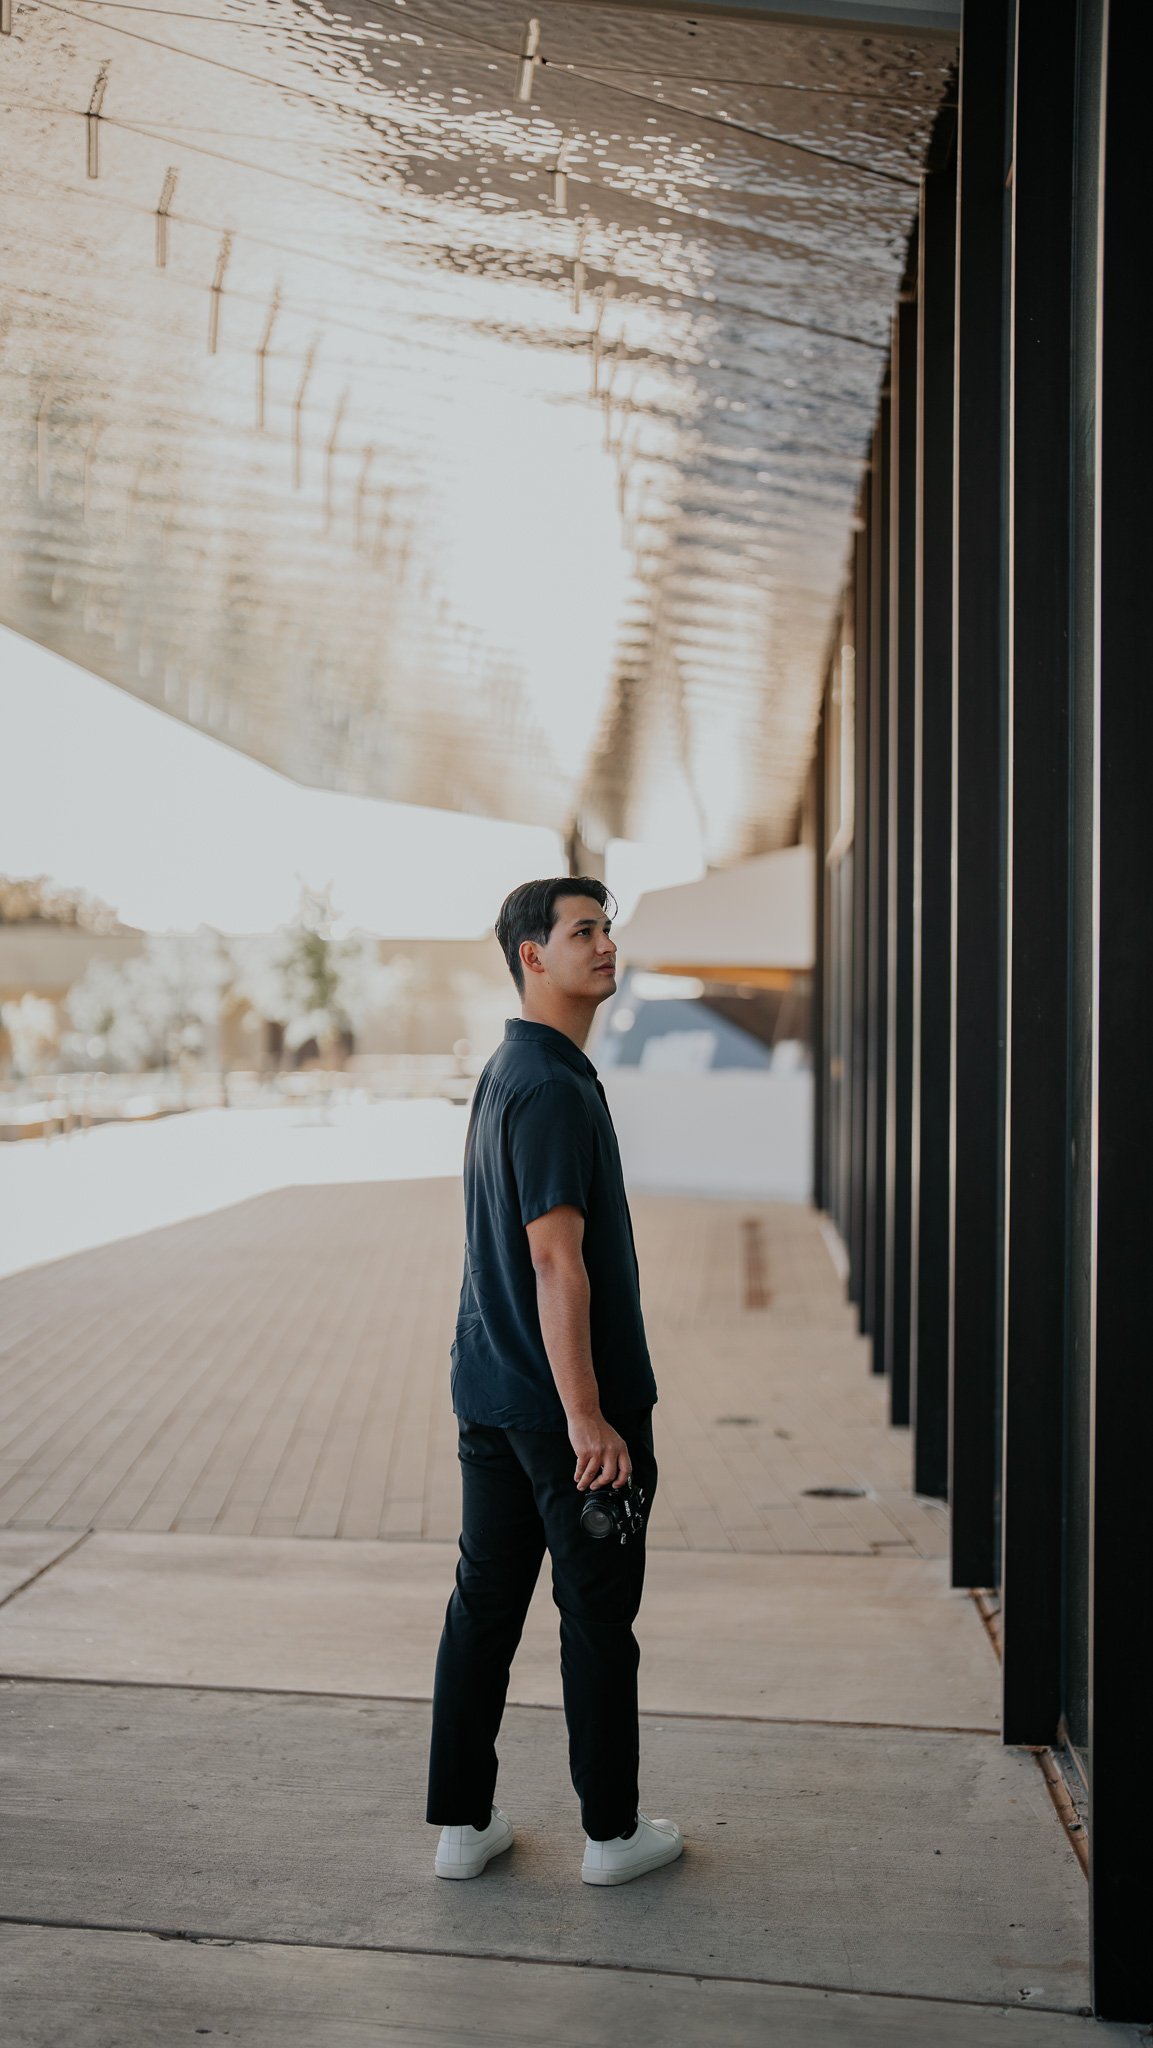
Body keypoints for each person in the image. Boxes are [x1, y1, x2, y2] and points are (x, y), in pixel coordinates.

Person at [426, 876, 684, 1887]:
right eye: (583, 930)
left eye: (606, 927)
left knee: (483, 1608)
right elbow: (552, 1259)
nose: (605, 943)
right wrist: (589, 1415)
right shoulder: (549, 1086)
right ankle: (612, 1836)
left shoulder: (511, 1069)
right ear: (532, 955)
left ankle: (462, 1827)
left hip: (490, 1393)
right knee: (597, 1619)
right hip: (562, 1414)